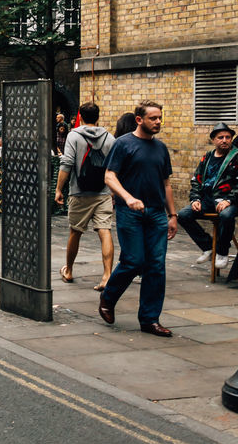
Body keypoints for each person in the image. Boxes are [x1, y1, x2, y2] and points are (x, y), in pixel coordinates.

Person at [99, 100, 177, 337]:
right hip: (129, 212)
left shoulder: (161, 148)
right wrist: (128, 198)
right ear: (139, 120)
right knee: (134, 261)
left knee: (156, 266)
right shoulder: (123, 144)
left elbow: (166, 184)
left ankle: (150, 319)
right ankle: (108, 298)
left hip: (156, 214)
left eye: (160, 118)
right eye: (153, 118)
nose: (158, 122)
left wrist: (172, 215)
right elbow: (109, 177)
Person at [54, 101, 115, 289]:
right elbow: (114, 166)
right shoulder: (110, 138)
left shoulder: (74, 136)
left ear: (80, 115)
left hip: (79, 192)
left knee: (76, 231)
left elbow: (67, 163)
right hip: (103, 191)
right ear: (98, 116)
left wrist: (58, 189)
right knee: (105, 231)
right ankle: (106, 275)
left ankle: (69, 270)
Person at [177, 122, 238, 269]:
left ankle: (222, 252)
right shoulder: (207, 157)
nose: (224, 140)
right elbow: (196, 180)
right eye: (220, 137)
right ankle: (209, 247)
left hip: (231, 201)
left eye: (228, 137)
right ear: (213, 140)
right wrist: (195, 199)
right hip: (207, 199)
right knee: (183, 215)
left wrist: (229, 200)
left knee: (226, 216)